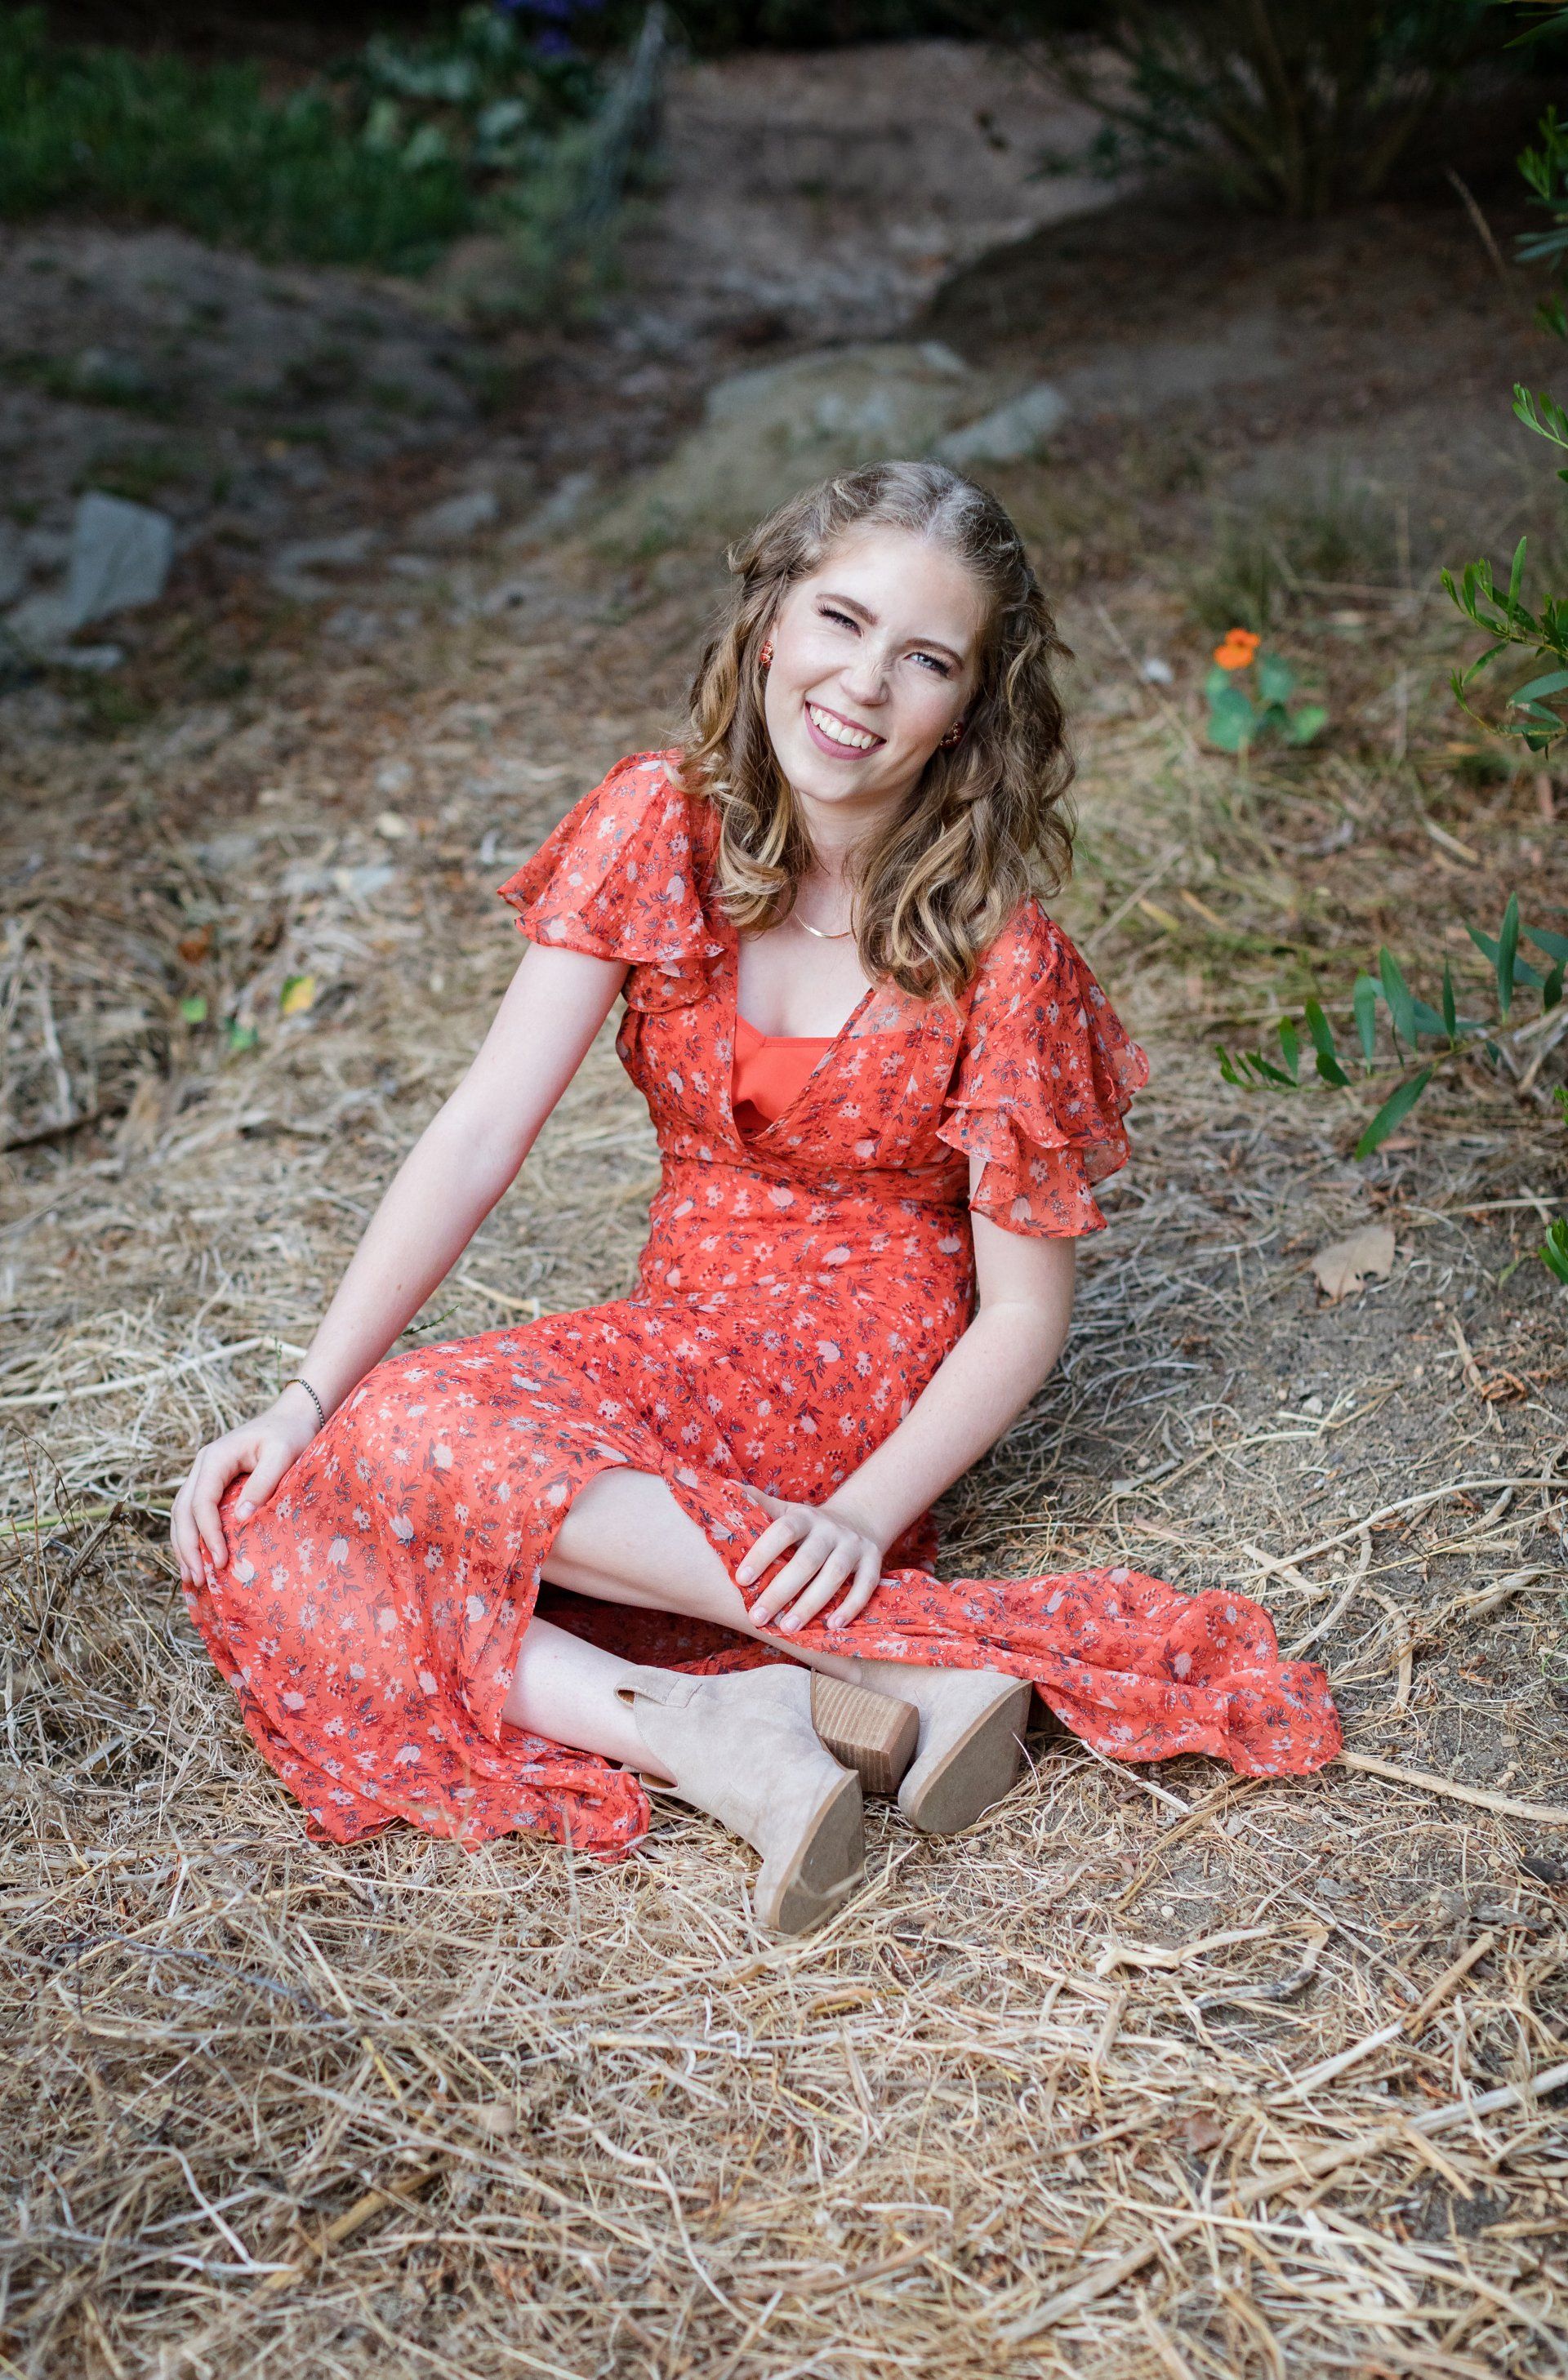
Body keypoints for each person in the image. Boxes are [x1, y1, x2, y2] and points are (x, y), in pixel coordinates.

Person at [172, 461, 1339, 1936]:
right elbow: (478, 1134)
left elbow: (1022, 1320)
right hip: (689, 1330)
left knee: (402, 1437)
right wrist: (296, 1395)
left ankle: (855, 1640)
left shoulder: (1003, 955)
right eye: (839, 622)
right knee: (277, 1526)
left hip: (866, 1366)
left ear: (971, 709)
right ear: (772, 621)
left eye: (925, 660)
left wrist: (860, 1516)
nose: (862, 686)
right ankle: (723, 1725)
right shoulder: (662, 822)